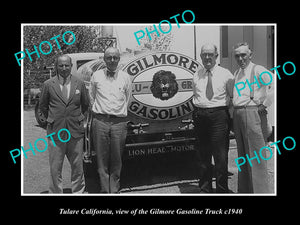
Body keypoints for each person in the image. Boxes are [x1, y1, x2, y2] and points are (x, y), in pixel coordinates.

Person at [39, 54, 90, 193]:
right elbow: (42, 106)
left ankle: (78, 191)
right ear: (56, 66)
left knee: (77, 165)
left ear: (71, 66)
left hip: (75, 131)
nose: (64, 68)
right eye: (60, 65)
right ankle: (55, 192)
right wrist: (50, 121)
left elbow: (85, 105)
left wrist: (79, 119)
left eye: (67, 65)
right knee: (55, 167)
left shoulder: (79, 83)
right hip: (56, 132)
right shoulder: (48, 84)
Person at [232, 42, 274, 193]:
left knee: (256, 156)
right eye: (237, 56)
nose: (240, 58)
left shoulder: (258, 70)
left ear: (251, 54)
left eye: (243, 55)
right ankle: (245, 191)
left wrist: (264, 104)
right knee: (243, 156)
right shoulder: (237, 73)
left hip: (252, 113)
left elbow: (274, 84)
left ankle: (261, 192)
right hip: (238, 114)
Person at [192, 43, 234, 193]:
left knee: (220, 156)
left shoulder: (226, 74)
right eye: (204, 54)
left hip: (219, 117)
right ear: (201, 57)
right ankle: (205, 189)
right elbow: (195, 95)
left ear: (216, 56)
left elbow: (232, 96)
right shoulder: (197, 74)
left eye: (210, 54)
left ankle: (222, 190)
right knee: (202, 155)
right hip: (200, 116)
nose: (207, 57)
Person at [89, 47, 132, 193]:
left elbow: (128, 99)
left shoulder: (125, 77)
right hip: (100, 121)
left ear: (119, 59)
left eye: (115, 57)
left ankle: (114, 190)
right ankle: (104, 190)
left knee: (117, 158)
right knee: (101, 158)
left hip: (119, 123)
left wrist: (117, 114)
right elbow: (91, 97)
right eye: (109, 57)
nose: (112, 60)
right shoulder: (96, 76)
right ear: (104, 59)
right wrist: (101, 113)